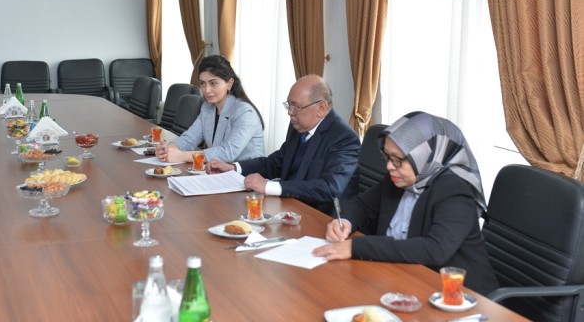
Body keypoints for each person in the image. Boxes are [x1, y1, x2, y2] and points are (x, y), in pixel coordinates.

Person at [312, 111, 499, 295]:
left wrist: (356, 247)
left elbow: (434, 250)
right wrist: (345, 221)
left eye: (398, 160)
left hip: (458, 296)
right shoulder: (400, 178)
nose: (389, 166)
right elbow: (362, 205)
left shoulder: (455, 192)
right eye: (387, 157)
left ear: (425, 157)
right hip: (403, 279)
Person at [208, 74, 361, 215]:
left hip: (322, 218)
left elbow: (329, 188)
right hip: (289, 208)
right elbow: (275, 163)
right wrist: (234, 168)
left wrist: (268, 186)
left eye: (296, 107)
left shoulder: (344, 138)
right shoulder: (299, 127)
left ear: (321, 107)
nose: (290, 112)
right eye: (289, 105)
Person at [157, 55, 265, 164]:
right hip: (219, 170)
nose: (207, 90)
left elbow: (227, 153)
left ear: (229, 84)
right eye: (202, 83)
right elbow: (190, 138)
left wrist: (181, 156)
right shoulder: (207, 107)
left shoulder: (245, 112)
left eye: (213, 83)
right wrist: (169, 149)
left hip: (247, 173)